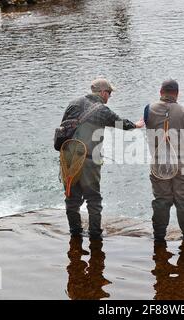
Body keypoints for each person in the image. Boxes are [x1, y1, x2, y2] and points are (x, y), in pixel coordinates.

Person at [60, 78, 144, 240]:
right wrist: (137, 125)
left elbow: (63, 127)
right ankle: (95, 234)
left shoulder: (73, 103)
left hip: (68, 157)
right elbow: (121, 124)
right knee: (93, 198)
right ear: (102, 92)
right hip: (88, 159)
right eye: (109, 93)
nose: (110, 96)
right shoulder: (101, 110)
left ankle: (75, 232)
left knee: (71, 196)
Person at [144, 79, 184, 242]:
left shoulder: (148, 109)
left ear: (161, 92)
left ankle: (159, 236)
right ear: (177, 94)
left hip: (160, 163)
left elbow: (145, 122)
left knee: (161, 200)